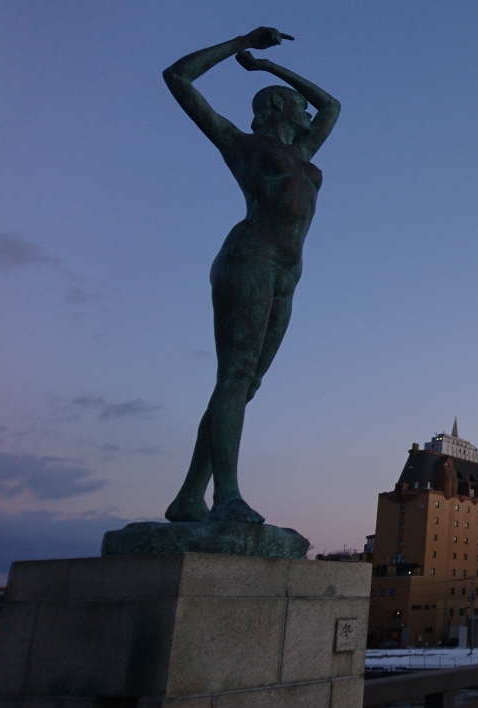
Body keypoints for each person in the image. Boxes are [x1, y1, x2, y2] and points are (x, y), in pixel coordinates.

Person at [161, 28, 340, 524]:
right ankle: (227, 497)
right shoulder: (241, 144)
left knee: (248, 383)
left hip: (288, 273)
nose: (307, 113)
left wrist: (268, 66)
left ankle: (188, 497)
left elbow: (331, 106)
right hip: (250, 259)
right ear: (279, 107)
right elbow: (177, 77)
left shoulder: (304, 153)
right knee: (236, 375)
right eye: (298, 107)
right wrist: (242, 40)